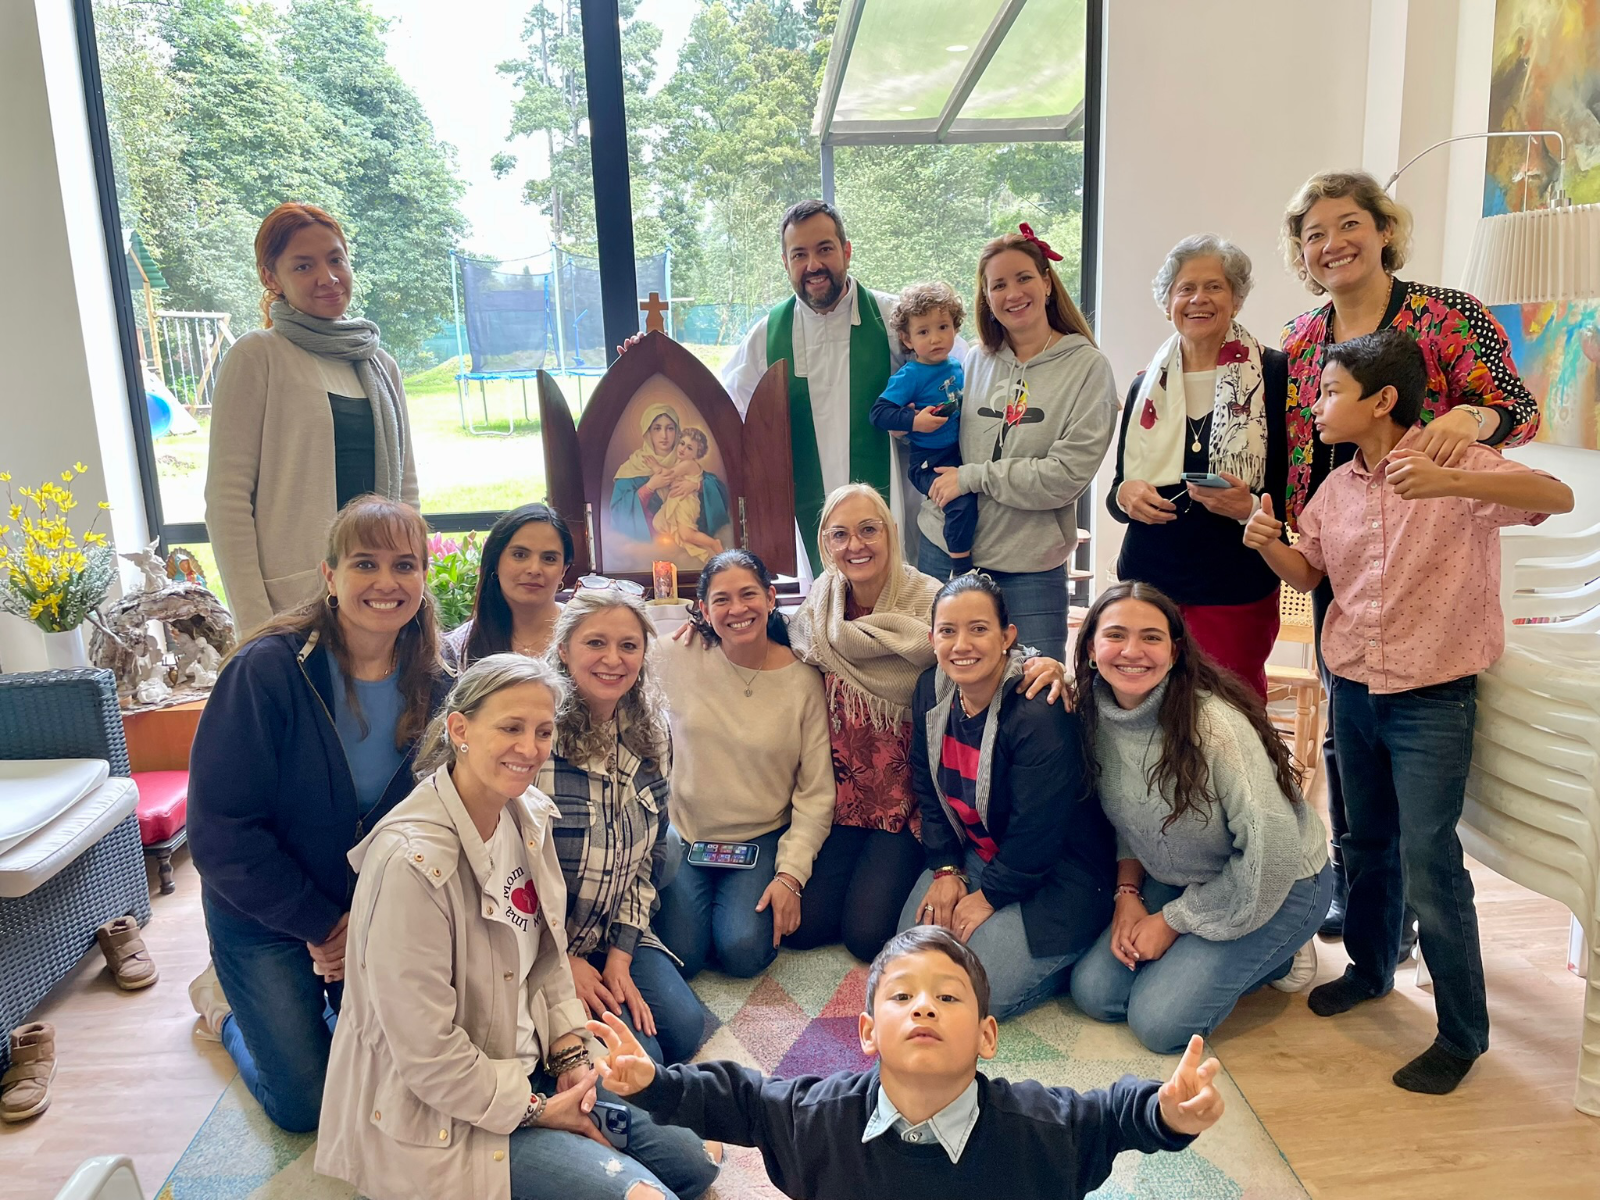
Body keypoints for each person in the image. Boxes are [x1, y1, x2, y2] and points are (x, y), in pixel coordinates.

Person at [1244, 329, 1572, 1095]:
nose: (1316, 405)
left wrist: (1452, 482)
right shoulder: (1335, 487)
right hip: (1352, 687)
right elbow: (1309, 572)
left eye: (1330, 391)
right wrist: (1265, 542)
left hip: (1432, 697)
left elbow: (1557, 496)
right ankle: (1370, 969)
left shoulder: (1457, 461)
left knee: (1431, 860)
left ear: (1382, 399)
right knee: (1364, 843)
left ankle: (1461, 1034)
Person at [315, 654, 719, 1200]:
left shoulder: (526, 813)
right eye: (510, 728)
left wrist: (572, 1054)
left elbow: (547, 959)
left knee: (696, 1164)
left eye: (543, 731)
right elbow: (427, 1054)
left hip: (533, 1062)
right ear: (459, 729)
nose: (529, 748)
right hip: (447, 1108)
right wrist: (538, 1110)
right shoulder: (410, 865)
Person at [1279, 170, 1541, 940]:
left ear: (1384, 229)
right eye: (1315, 234)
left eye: (1349, 224)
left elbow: (1518, 409)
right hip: (1338, 552)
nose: (1334, 244)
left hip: (1427, 559)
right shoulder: (1299, 337)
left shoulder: (1445, 314)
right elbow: (1294, 441)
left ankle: (1415, 910)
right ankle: (1368, 906)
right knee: (1346, 737)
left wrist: (1469, 418)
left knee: (1412, 748)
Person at [585, 926, 1224, 1200]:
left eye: (947, 998)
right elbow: (743, 1102)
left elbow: (1111, 1116)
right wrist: (655, 1085)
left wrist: (1166, 1112)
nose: (924, 1007)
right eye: (902, 997)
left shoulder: (1038, 1129)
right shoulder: (819, 1117)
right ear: (867, 1032)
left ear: (987, 1036)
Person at [187, 496, 449, 1132]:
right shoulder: (266, 672)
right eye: (365, 563)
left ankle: (318, 1003)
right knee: (308, 1107)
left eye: (404, 565)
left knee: (402, 1083)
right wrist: (323, 926)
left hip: (370, 914)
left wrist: (367, 923)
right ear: (330, 576)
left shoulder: (438, 682)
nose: (386, 582)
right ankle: (227, 1011)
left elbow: (441, 817)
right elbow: (220, 836)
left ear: (423, 577)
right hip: (266, 914)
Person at [1067, 582, 1332, 1055]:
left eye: (1151, 637)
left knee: (1157, 1023)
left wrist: (1172, 922)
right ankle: (1228, 946)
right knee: (1095, 993)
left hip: (1278, 880)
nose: (1132, 651)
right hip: (1186, 874)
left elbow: (1271, 853)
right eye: (1116, 635)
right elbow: (1127, 817)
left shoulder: (1214, 725)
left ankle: (1281, 953)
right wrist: (1127, 894)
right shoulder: (1092, 714)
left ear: (1174, 651)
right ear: (1090, 648)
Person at [898, 573, 1115, 1021]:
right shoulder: (929, 690)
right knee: (910, 963)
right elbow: (928, 787)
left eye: (978, 629)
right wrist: (946, 867)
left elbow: (1039, 831)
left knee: (975, 994)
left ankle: (1071, 954)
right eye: (948, 631)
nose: (962, 645)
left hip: (1059, 874)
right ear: (932, 639)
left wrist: (989, 897)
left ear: (1007, 637)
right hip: (982, 853)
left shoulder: (1037, 710)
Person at [207, 202, 419, 633]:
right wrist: (256, 624)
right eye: (303, 266)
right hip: (291, 605)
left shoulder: (380, 364)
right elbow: (228, 503)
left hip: (377, 598)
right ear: (271, 277)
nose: (328, 277)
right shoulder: (257, 356)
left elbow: (407, 493)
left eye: (335, 259)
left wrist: (407, 583)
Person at [916, 226, 1118, 659]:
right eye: (998, 285)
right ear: (986, 297)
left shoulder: (1088, 368)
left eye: (1024, 278)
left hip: (1029, 565)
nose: (1013, 293)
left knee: (1035, 687)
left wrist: (973, 477)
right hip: (946, 548)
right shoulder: (975, 359)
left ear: (1047, 283)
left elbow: (1064, 478)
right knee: (941, 681)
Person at [1109, 235, 1287, 699]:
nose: (1198, 299)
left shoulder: (1275, 375)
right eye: (1185, 288)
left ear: (1237, 298)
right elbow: (1117, 491)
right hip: (1148, 582)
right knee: (1145, 712)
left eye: (1214, 287)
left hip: (1234, 584)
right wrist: (1125, 495)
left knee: (1232, 716)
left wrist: (1248, 507)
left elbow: (1293, 488)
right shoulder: (1145, 386)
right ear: (1167, 301)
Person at [541, 587, 706, 1065]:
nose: (613, 659)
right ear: (563, 649)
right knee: (637, 1059)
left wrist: (622, 954)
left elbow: (650, 858)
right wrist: (559, 961)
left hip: (608, 929)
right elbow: (507, 878)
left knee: (683, 1031)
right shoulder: (536, 739)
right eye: (595, 643)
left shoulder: (652, 733)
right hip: (539, 946)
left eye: (628, 646)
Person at [653, 550, 835, 979]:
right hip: (687, 831)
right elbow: (618, 653)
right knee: (682, 955)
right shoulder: (675, 654)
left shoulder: (803, 680)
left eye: (748, 594)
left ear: (770, 598)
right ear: (703, 610)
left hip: (760, 836)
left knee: (742, 951)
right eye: (721, 600)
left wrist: (790, 876)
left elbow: (816, 793)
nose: (737, 609)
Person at [719, 200, 916, 577]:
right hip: (803, 520)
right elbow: (723, 412)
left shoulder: (893, 319)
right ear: (785, 262)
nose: (813, 265)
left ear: (847, 251)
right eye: (799, 255)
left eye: (824, 249)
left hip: (891, 505)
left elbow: (953, 374)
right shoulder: (767, 335)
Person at [870, 282, 975, 573]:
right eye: (923, 332)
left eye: (943, 327)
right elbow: (879, 414)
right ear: (907, 339)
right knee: (959, 503)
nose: (935, 339)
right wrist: (915, 421)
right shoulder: (911, 375)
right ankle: (962, 568)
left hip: (957, 453)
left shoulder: (957, 366)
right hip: (927, 462)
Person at [443, 502, 573, 668]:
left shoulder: (587, 634)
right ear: (496, 562)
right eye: (520, 555)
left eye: (549, 559)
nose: (534, 569)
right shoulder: (458, 648)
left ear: (563, 570)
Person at [609, 403, 731, 557]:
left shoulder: (685, 460)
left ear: (677, 431)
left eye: (670, 428)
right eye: (657, 428)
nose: (664, 436)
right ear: (648, 432)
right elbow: (618, 513)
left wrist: (697, 485)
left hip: (682, 550)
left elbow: (719, 490)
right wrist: (649, 487)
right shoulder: (633, 466)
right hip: (647, 549)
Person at [651, 428, 724, 564]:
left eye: (689, 448)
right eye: (682, 443)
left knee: (686, 534)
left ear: (697, 454)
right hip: (679, 502)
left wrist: (655, 466)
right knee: (660, 523)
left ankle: (713, 543)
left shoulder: (688, 464)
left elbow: (668, 475)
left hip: (686, 503)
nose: (683, 449)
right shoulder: (681, 462)